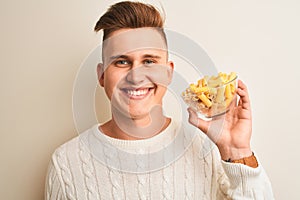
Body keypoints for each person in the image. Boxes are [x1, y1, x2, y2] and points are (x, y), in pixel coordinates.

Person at [45, 1, 274, 199]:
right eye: (121, 62)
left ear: (168, 72)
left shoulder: (209, 150)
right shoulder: (66, 163)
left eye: (149, 61)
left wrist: (236, 150)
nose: (136, 76)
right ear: (102, 75)